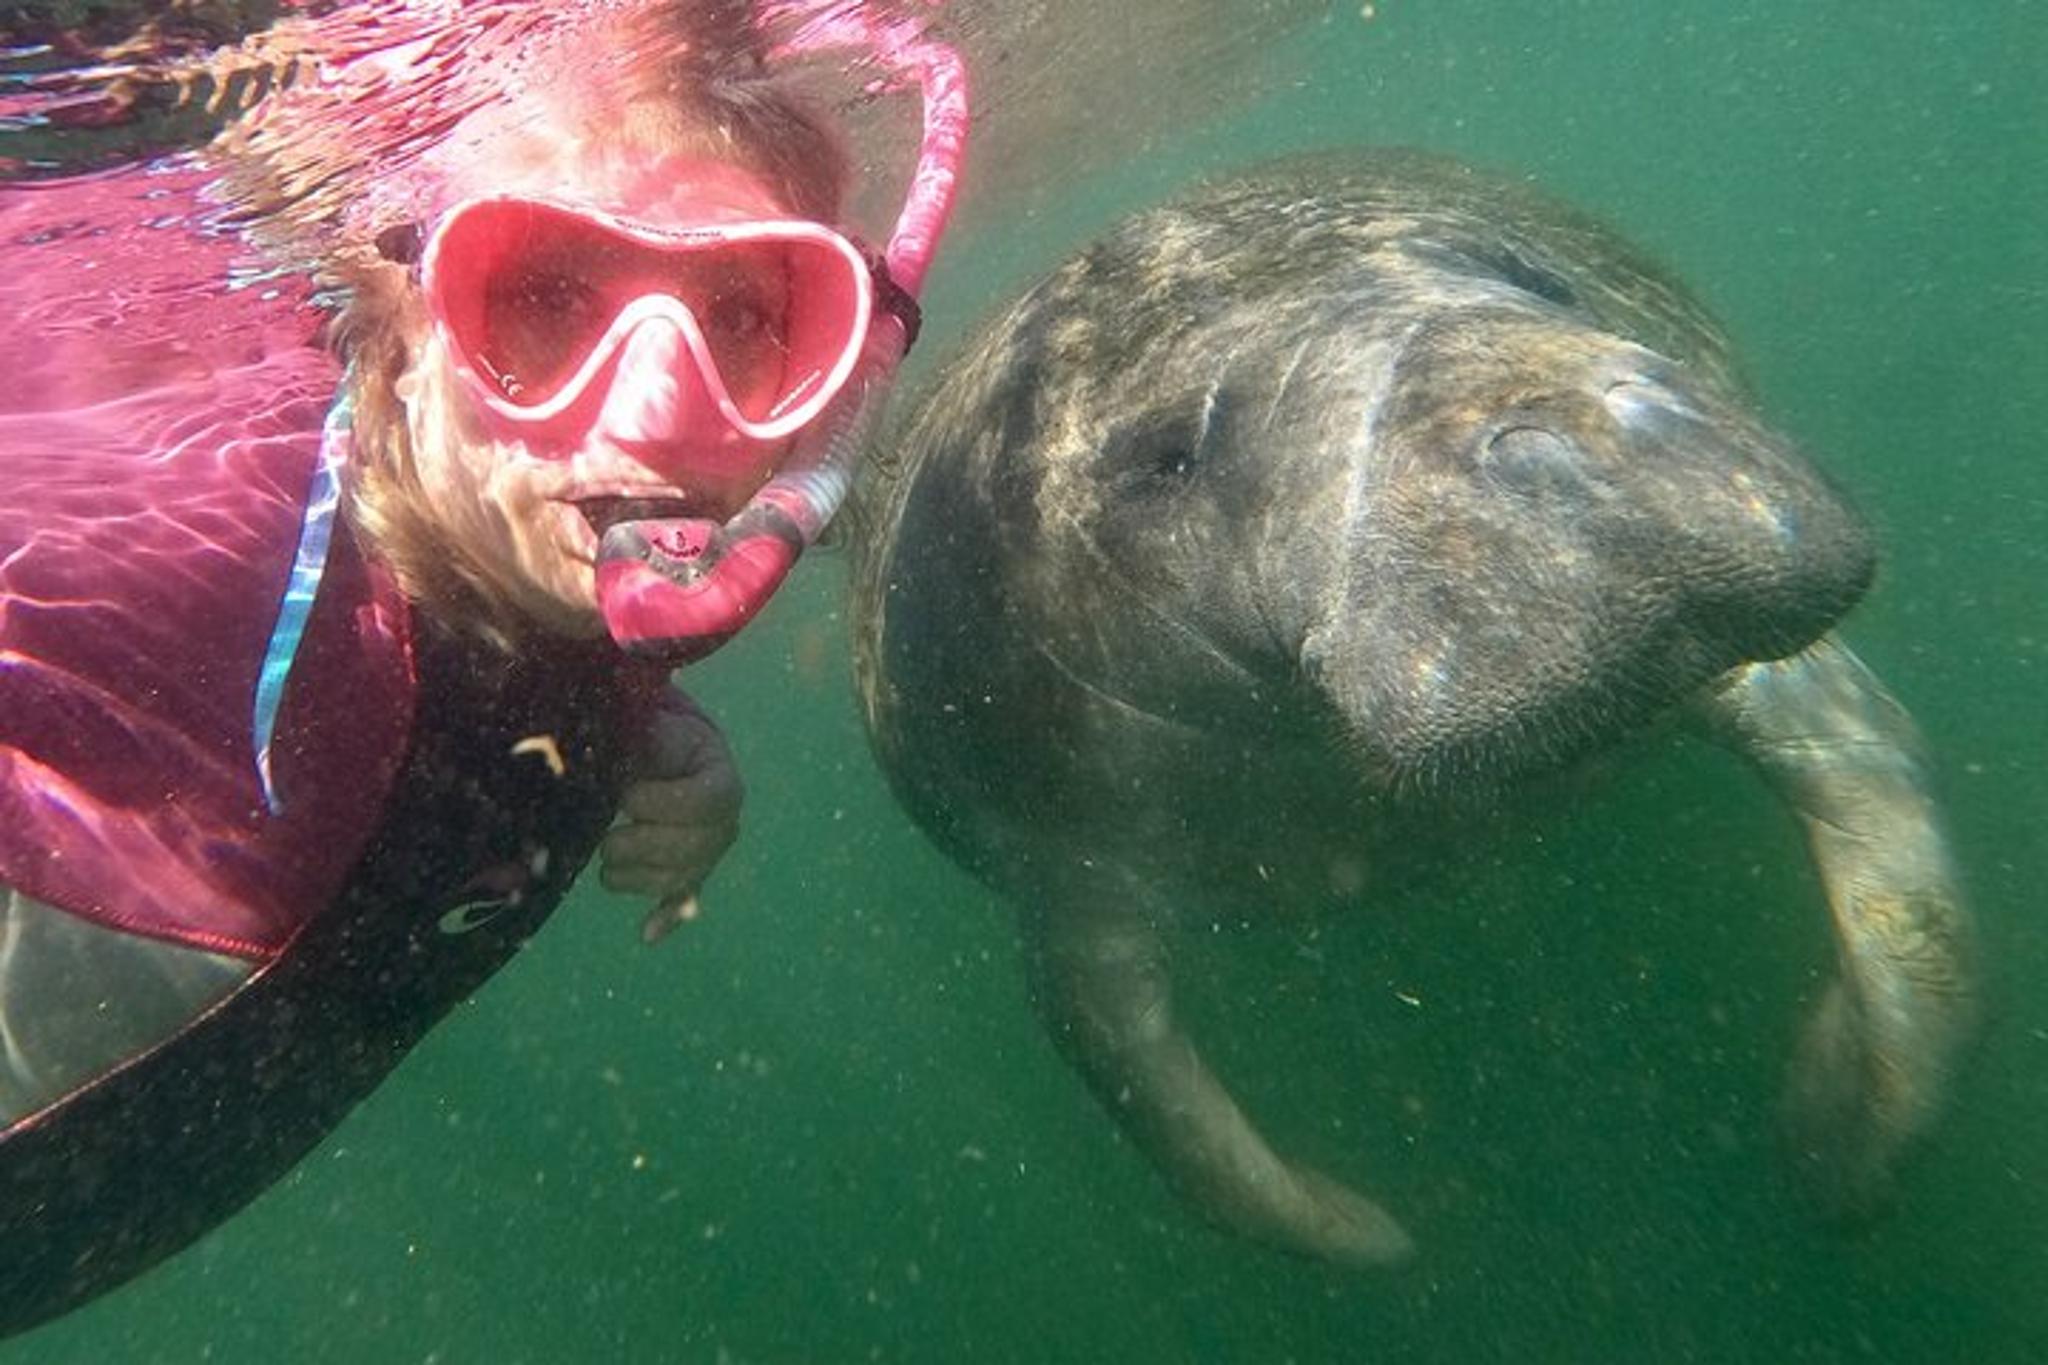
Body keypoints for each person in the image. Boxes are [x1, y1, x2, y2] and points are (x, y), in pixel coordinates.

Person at [0, 0, 965, 1338]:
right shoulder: (188, 543)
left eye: (749, 313)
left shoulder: (559, 566)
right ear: (402, 318)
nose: (655, 418)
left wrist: (642, 724)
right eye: (546, 295)